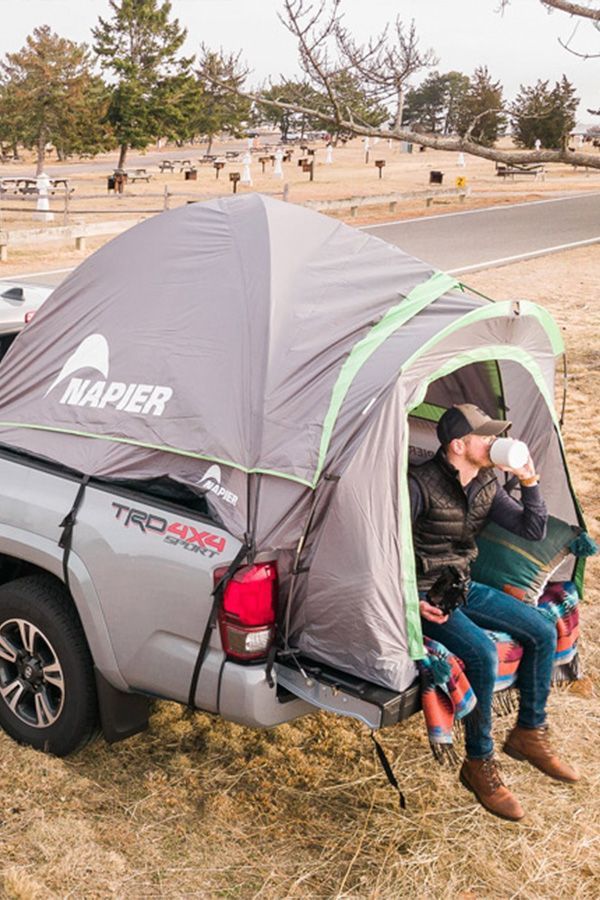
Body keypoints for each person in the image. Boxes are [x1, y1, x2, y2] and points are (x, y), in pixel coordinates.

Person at [409, 403, 579, 821]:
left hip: (464, 587)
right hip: (424, 595)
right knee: (482, 653)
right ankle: (478, 762)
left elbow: (531, 529)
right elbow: (381, 546)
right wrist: (409, 600)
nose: (495, 442)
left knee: (541, 628)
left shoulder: (486, 482)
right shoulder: (418, 485)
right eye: (485, 436)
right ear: (458, 445)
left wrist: (529, 478)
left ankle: (529, 733)